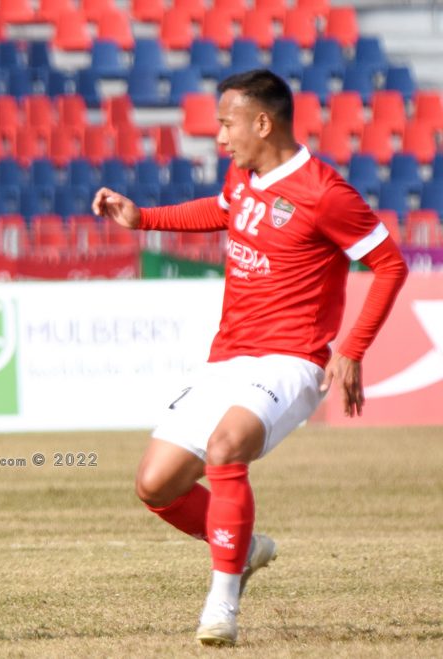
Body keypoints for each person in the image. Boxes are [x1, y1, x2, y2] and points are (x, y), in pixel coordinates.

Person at [92, 69, 408, 646]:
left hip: (291, 360)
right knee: (155, 485)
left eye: (226, 124)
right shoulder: (242, 176)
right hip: (228, 357)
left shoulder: (325, 193)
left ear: (262, 123)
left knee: (225, 448)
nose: (219, 137)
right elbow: (221, 211)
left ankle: (222, 605)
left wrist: (352, 348)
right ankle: (244, 545)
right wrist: (144, 219)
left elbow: (390, 264)